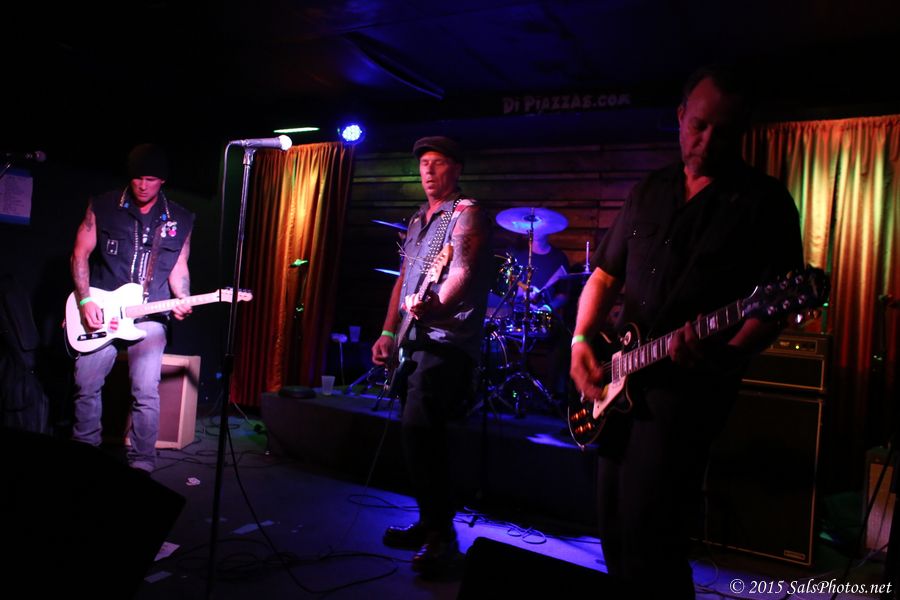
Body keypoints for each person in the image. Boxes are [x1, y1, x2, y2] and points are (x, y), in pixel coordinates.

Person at [569, 66, 803, 598]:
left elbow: (772, 307)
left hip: (686, 398)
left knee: (654, 540)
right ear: (679, 117)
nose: (708, 141)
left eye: (724, 130)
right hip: (619, 381)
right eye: (699, 125)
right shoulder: (649, 190)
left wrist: (728, 354)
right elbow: (604, 274)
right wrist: (581, 341)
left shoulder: (765, 204)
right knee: (613, 531)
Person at [371, 136, 492, 577]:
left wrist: (435, 306)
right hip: (414, 339)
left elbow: (462, 271)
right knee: (418, 439)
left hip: (447, 342)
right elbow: (405, 277)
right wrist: (388, 330)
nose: (428, 170)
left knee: (422, 433)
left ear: (456, 169)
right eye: (423, 163)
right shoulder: (419, 219)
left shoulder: (467, 213)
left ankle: (443, 538)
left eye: (438, 163)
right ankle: (429, 523)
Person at [70, 143, 194, 473]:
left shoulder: (180, 218)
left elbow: (179, 265)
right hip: (102, 310)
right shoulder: (103, 205)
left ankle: (142, 461)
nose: (142, 185)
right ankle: (84, 449)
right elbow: (80, 254)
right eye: (137, 177)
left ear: (162, 180)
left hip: (150, 313)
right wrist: (85, 300)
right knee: (86, 384)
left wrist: (183, 296)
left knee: (145, 390)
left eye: (151, 179)